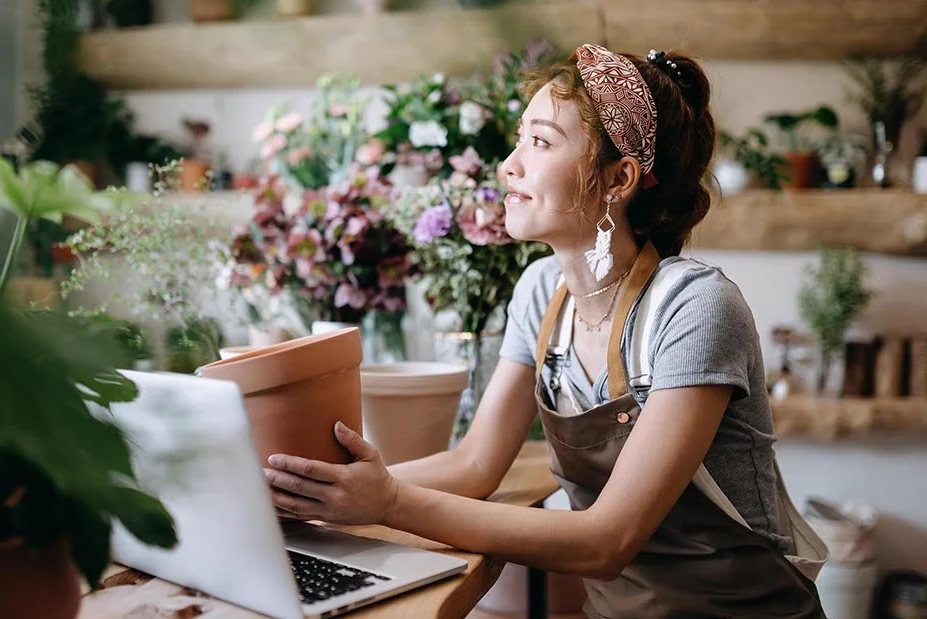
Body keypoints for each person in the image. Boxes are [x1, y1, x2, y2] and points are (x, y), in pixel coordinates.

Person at [263, 43, 826, 617]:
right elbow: (474, 466)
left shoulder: (696, 306)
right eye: (519, 138)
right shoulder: (541, 291)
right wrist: (318, 492)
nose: (509, 164)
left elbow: (607, 540)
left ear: (618, 179)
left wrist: (387, 502)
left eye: (540, 142)